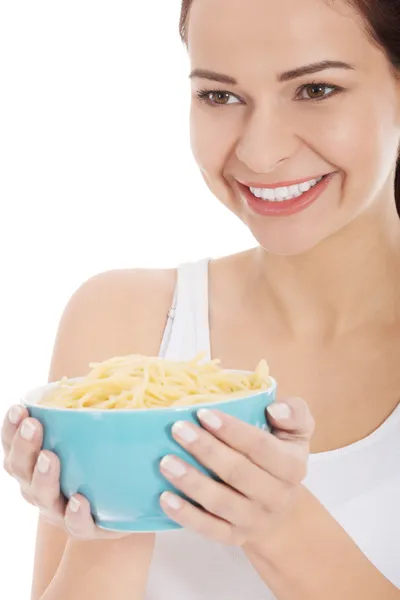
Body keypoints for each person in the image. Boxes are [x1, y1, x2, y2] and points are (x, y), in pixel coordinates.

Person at [2, 0, 400, 598]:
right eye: (219, 96)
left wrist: (281, 528)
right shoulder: (122, 320)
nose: (260, 153)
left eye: (316, 89)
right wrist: (106, 528)